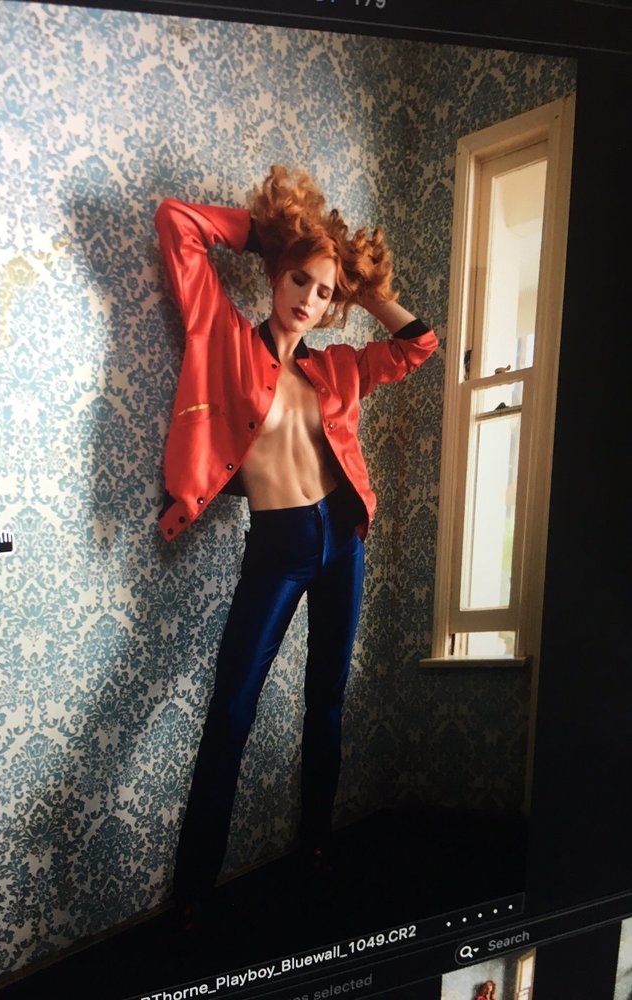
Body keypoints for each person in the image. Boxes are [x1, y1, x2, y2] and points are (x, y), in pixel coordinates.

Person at [154, 165, 438, 929]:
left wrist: (361, 287)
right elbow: (178, 222)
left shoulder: (337, 366)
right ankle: (193, 890)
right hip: (277, 547)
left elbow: (420, 345)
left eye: (323, 292)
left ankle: (316, 843)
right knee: (231, 710)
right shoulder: (224, 338)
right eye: (299, 280)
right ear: (276, 276)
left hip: (343, 537)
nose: (308, 299)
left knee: (327, 701)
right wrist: (269, 235)